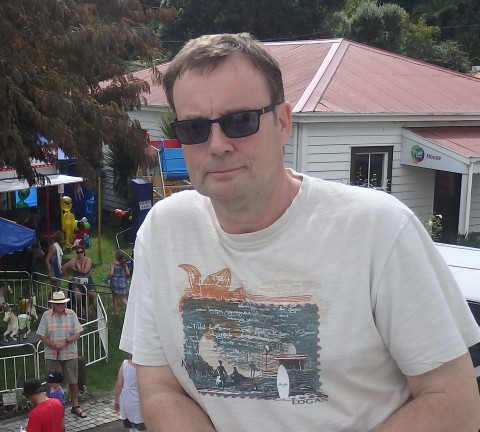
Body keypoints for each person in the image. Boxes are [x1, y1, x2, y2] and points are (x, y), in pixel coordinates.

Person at [120, 33, 480, 431]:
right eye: (194, 128)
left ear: (282, 123)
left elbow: (455, 403)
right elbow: (161, 387)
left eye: (240, 121)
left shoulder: (379, 230)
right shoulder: (163, 231)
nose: (217, 145)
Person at [36, 290, 87, 418]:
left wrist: (65, 341)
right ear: (53, 304)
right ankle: (51, 407)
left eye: (62, 303)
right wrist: (53, 344)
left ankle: (75, 406)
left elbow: (77, 333)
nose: (60, 305)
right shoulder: (46, 315)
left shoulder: (71, 314)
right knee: (52, 382)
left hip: (69, 353)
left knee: (73, 381)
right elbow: (41, 335)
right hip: (52, 354)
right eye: (58, 303)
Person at [62, 245, 96, 318]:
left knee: (92, 294)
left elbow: (85, 271)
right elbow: (63, 267)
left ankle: (89, 305)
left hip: (87, 280)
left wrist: (76, 270)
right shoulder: (74, 260)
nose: (79, 254)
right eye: (78, 252)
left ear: (84, 252)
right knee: (77, 294)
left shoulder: (88, 260)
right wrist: (67, 277)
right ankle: (81, 308)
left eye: (81, 252)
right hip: (77, 281)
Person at [114, 357, 146, 431]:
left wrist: (116, 400)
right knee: (141, 428)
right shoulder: (144, 367)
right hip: (138, 403)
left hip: (126, 402)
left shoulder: (124, 364)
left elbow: (119, 385)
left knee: (132, 427)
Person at [109, 249, 131, 316]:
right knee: (122, 297)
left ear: (116, 257)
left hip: (115, 282)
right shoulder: (124, 264)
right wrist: (123, 275)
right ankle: (129, 308)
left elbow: (111, 274)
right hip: (122, 281)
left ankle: (116, 312)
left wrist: (107, 278)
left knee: (115, 297)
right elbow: (128, 273)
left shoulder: (113, 264)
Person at [23, 206, 42, 278]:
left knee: (37, 259)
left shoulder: (34, 222)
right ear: (30, 214)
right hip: (30, 246)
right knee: (31, 261)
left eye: (37, 214)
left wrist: (39, 244)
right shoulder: (27, 223)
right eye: (35, 214)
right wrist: (28, 247)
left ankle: (28, 272)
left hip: (35, 244)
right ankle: (32, 276)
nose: (36, 215)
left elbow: (36, 234)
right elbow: (25, 236)